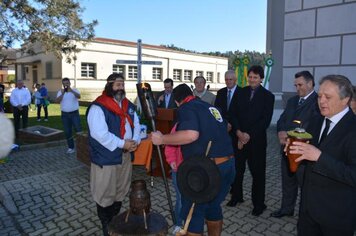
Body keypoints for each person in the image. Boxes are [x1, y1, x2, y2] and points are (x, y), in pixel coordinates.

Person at [152, 84, 235, 235]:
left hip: (208, 171)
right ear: (191, 93)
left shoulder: (186, 108)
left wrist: (162, 138)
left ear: (177, 102)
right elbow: (227, 127)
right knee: (213, 206)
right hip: (228, 165)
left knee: (194, 212)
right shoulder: (210, 107)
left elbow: (191, 135)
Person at [289, 75, 356, 236]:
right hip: (308, 211)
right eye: (319, 96)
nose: (321, 101)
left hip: (335, 217)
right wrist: (296, 153)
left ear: (345, 99)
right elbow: (309, 158)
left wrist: (319, 157)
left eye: (328, 97)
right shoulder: (317, 120)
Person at [86, 73, 141, 236]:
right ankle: (106, 225)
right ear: (109, 86)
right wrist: (123, 143)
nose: (121, 87)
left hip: (124, 156)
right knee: (104, 193)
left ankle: (115, 220)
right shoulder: (98, 107)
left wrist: (135, 141)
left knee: (120, 190)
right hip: (106, 158)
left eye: (122, 84)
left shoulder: (128, 105)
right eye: (117, 84)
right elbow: (99, 133)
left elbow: (136, 124)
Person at [270, 71, 320, 218]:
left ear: (310, 84)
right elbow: (282, 120)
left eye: (300, 85)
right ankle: (287, 209)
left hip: (304, 153)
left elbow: (313, 127)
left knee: (305, 186)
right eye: (295, 85)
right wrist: (280, 132)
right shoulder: (292, 101)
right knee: (288, 182)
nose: (297, 88)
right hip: (286, 150)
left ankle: (307, 214)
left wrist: (290, 133)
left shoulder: (318, 102)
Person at [228, 65, 275, 216]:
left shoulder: (268, 96)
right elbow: (233, 114)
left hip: (256, 142)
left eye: (255, 77)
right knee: (237, 171)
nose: (252, 79)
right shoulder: (240, 92)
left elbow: (265, 120)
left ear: (261, 79)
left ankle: (259, 205)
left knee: (258, 174)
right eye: (250, 77)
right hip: (239, 139)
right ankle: (236, 197)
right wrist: (238, 132)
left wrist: (248, 135)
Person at [164, 124, 184, 235]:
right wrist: (172, 160)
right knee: (181, 198)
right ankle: (178, 224)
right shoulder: (179, 125)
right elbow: (170, 144)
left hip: (195, 171)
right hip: (179, 169)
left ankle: (190, 223)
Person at [55, 78, 82, 154]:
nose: (66, 85)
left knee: (78, 130)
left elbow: (79, 96)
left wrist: (72, 91)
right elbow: (57, 101)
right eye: (64, 83)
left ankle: (81, 147)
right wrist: (63, 93)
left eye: (67, 83)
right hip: (65, 115)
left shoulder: (75, 90)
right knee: (67, 131)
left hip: (74, 114)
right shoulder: (60, 92)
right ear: (62, 84)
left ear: (70, 83)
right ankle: (71, 147)